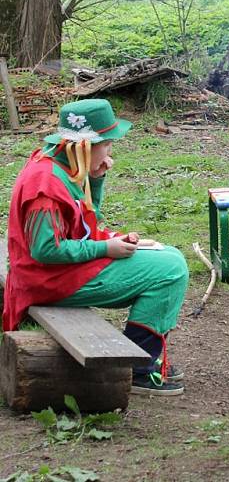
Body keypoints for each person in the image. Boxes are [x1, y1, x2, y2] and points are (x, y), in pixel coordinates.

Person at [3, 99, 189, 395]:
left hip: (57, 273)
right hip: (47, 281)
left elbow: (88, 221)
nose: (111, 153)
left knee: (169, 256)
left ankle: (140, 361)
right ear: (87, 146)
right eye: (108, 145)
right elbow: (45, 251)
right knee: (171, 271)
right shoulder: (45, 185)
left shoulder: (60, 164)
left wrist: (97, 181)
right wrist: (106, 249)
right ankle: (138, 370)